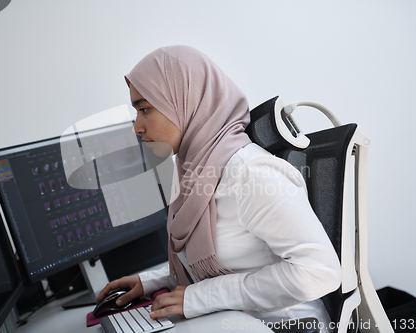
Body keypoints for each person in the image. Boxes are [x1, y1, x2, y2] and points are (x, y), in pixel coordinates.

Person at [96, 45, 342, 331]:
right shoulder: (194, 168)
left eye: (144, 109)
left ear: (185, 100)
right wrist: (153, 280)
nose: (137, 127)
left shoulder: (251, 173)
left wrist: (203, 297)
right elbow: (215, 260)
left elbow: (319, 272)